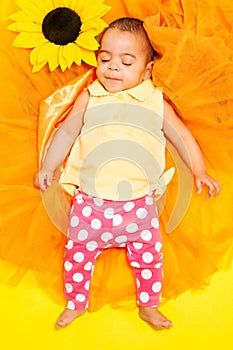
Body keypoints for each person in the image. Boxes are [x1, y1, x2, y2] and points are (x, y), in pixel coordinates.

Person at [34, 17, 221, 330]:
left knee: (149, 256)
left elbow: (182, 137)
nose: (112, 67)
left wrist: (199, 170)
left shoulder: (155, 101)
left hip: (139, 205)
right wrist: (48, 166)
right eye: (105, 58)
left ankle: (149, 306)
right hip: (90, 202)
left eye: (126, 61)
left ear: (146, 70)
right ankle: (76, 302)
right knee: (78, 254)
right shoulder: (90, 96)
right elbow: (66, 133)